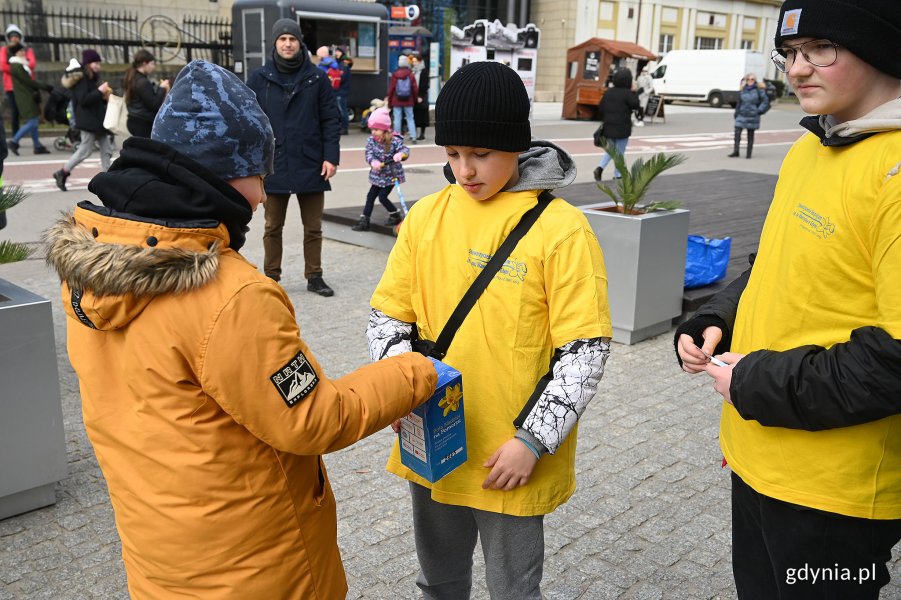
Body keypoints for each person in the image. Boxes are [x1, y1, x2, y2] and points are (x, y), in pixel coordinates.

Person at [42, 59, 437, 599]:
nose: (259, 194)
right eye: (258, 174)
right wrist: (415, 371)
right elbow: (313, 418)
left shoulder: (89, 271)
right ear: (226, 170)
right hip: (258, 567)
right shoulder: (231, 295)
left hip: (162, 562)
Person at [674, 1, 901, 598]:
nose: (798, 69)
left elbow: (894, 361)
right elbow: (772, 262)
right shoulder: (812, 146)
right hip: (758, 458)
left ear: (880, 47)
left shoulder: (893, 172)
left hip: (834, 493)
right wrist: (718, 315)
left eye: (821, 48)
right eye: (791, 53)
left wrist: (752, 381)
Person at [366, 61, 612, 599]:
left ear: (517, 148)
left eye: (481, 154)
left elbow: (585, 348)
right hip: (435, 434)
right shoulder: (427, 217)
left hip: (512, 451)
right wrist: (397, 389)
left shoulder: (561, 229)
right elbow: (388, 315)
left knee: (514, 589)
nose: (465, 171)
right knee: (438, 578)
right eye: (453, 154)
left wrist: (533, 439)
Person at [247, 19, 340, 297]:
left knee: (313, 227)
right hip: (273, 165)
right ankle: (271, 278)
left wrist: (330, 157)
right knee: (272, 226)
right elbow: (249, 121)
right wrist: (254, 162)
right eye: (282, 39)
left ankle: (315, 276)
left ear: (300, 43)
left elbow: (330, 119)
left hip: (311, 162)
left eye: (293, 39)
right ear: (275, 43)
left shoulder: (317, 78)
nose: (288, 43)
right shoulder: (259, 78)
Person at [52, 49, 114, 192]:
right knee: (85, 150)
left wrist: (103, 96)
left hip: (97, 119)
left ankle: (109, 178)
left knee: (107, 148)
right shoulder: (82, 79)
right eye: (95, 62)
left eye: (99, 63)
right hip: (88, 120)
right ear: (88, 63)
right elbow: (83, 100)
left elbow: (94, 100)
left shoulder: (92, 77)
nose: (98, 65)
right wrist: (99, 91)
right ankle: (62, 172)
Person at [351, 107, 406, 231]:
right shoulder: (372, 141)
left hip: (391, 175)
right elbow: (368, 153)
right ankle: (365, 219)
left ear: (385, 129)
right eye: (372, 129)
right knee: (370, 196)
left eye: (376, 129)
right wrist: (373, 161)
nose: (374, 132)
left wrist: (400, 155)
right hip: (377, 175)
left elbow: (404, 150)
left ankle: (395, 214)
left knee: (382, 197)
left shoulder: (395, 140)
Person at [593, 68, 640, 182]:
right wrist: (634, 92)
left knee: (612, 151)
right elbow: (636, 105)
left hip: (608, 127)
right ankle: (618, 175)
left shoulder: (609, 92)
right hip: (623, 127)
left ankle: (600, 168)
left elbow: (601, 108)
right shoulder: (628, 93)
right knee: (619, 152)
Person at [6, 43, 51, 155]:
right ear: (16, 53)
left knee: (33, 122)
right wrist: (45, 86)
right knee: (32, 121)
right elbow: (28, 81)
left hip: (27, 95)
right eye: (21, 51)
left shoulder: (20, 64)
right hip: (25, 97)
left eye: (23, 50)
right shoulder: (17, 65)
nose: (23, 52)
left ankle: (37, 146)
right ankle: (14, 141)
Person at [123, 49, 170, 138]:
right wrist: (162, 88)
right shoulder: (142, 82)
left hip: (134, 119)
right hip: (143, 122)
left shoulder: (131, 77)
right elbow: (154, 104)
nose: (154, 67)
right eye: (152, 64)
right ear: (144, 64)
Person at [1, 24, 35, 137]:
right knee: (15, 112)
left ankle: (36, 143)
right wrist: (19, 68)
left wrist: (14, 66)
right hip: (11, 86)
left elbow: (31, 64)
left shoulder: (26, 49)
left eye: (16, 36)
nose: (14, 39)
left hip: (26, 85)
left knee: (31, 113)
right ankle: (16, 137)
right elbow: (2, 66)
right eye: (12, 36)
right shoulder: (4, 50)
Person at [728, 73, 769, 158]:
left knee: (750, 135)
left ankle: (748, 153)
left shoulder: (759, 90)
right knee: (737, 133)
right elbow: (739, 103)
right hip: (741, 115)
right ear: (746, 80)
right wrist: (736, 113)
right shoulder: (742, 90)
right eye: (749, 79)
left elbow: (765, 102)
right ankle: (736, 151)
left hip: (753, 115)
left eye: (752, 79)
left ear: (755, 80)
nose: (750, 81)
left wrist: (759, 110)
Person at [388, 54, 419, 143]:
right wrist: (415, 99)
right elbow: (415, 88)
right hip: (408, 100)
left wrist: (390, 100)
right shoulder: (410, 74)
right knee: (410, 118)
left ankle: (397, 138)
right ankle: (413, 137)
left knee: (397, 118)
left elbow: (392, 88)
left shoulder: (395, 74)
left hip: (396, 100)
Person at [333, 46, 352, 135]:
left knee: (342, 109)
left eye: (338, 51)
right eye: (336, 51)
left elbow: (341, 77)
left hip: (341, 90)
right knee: (339, 109)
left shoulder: (343, 64)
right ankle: (342, 127)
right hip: (338, 90)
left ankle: (345, 128)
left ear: (342, 53)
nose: (336, 53)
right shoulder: (339, 63)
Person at [411, 52, 429, 141]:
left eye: (415, 61)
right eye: (413, 61)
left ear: (419, 61)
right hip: (414, 96)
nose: (414, 63)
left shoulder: (424, 71)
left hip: (422, 96)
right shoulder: (413, 71)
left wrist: (421, 95)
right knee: (415, 115)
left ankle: (422, 134)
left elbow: (425, 84)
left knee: (423, 114)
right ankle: (414, 133)